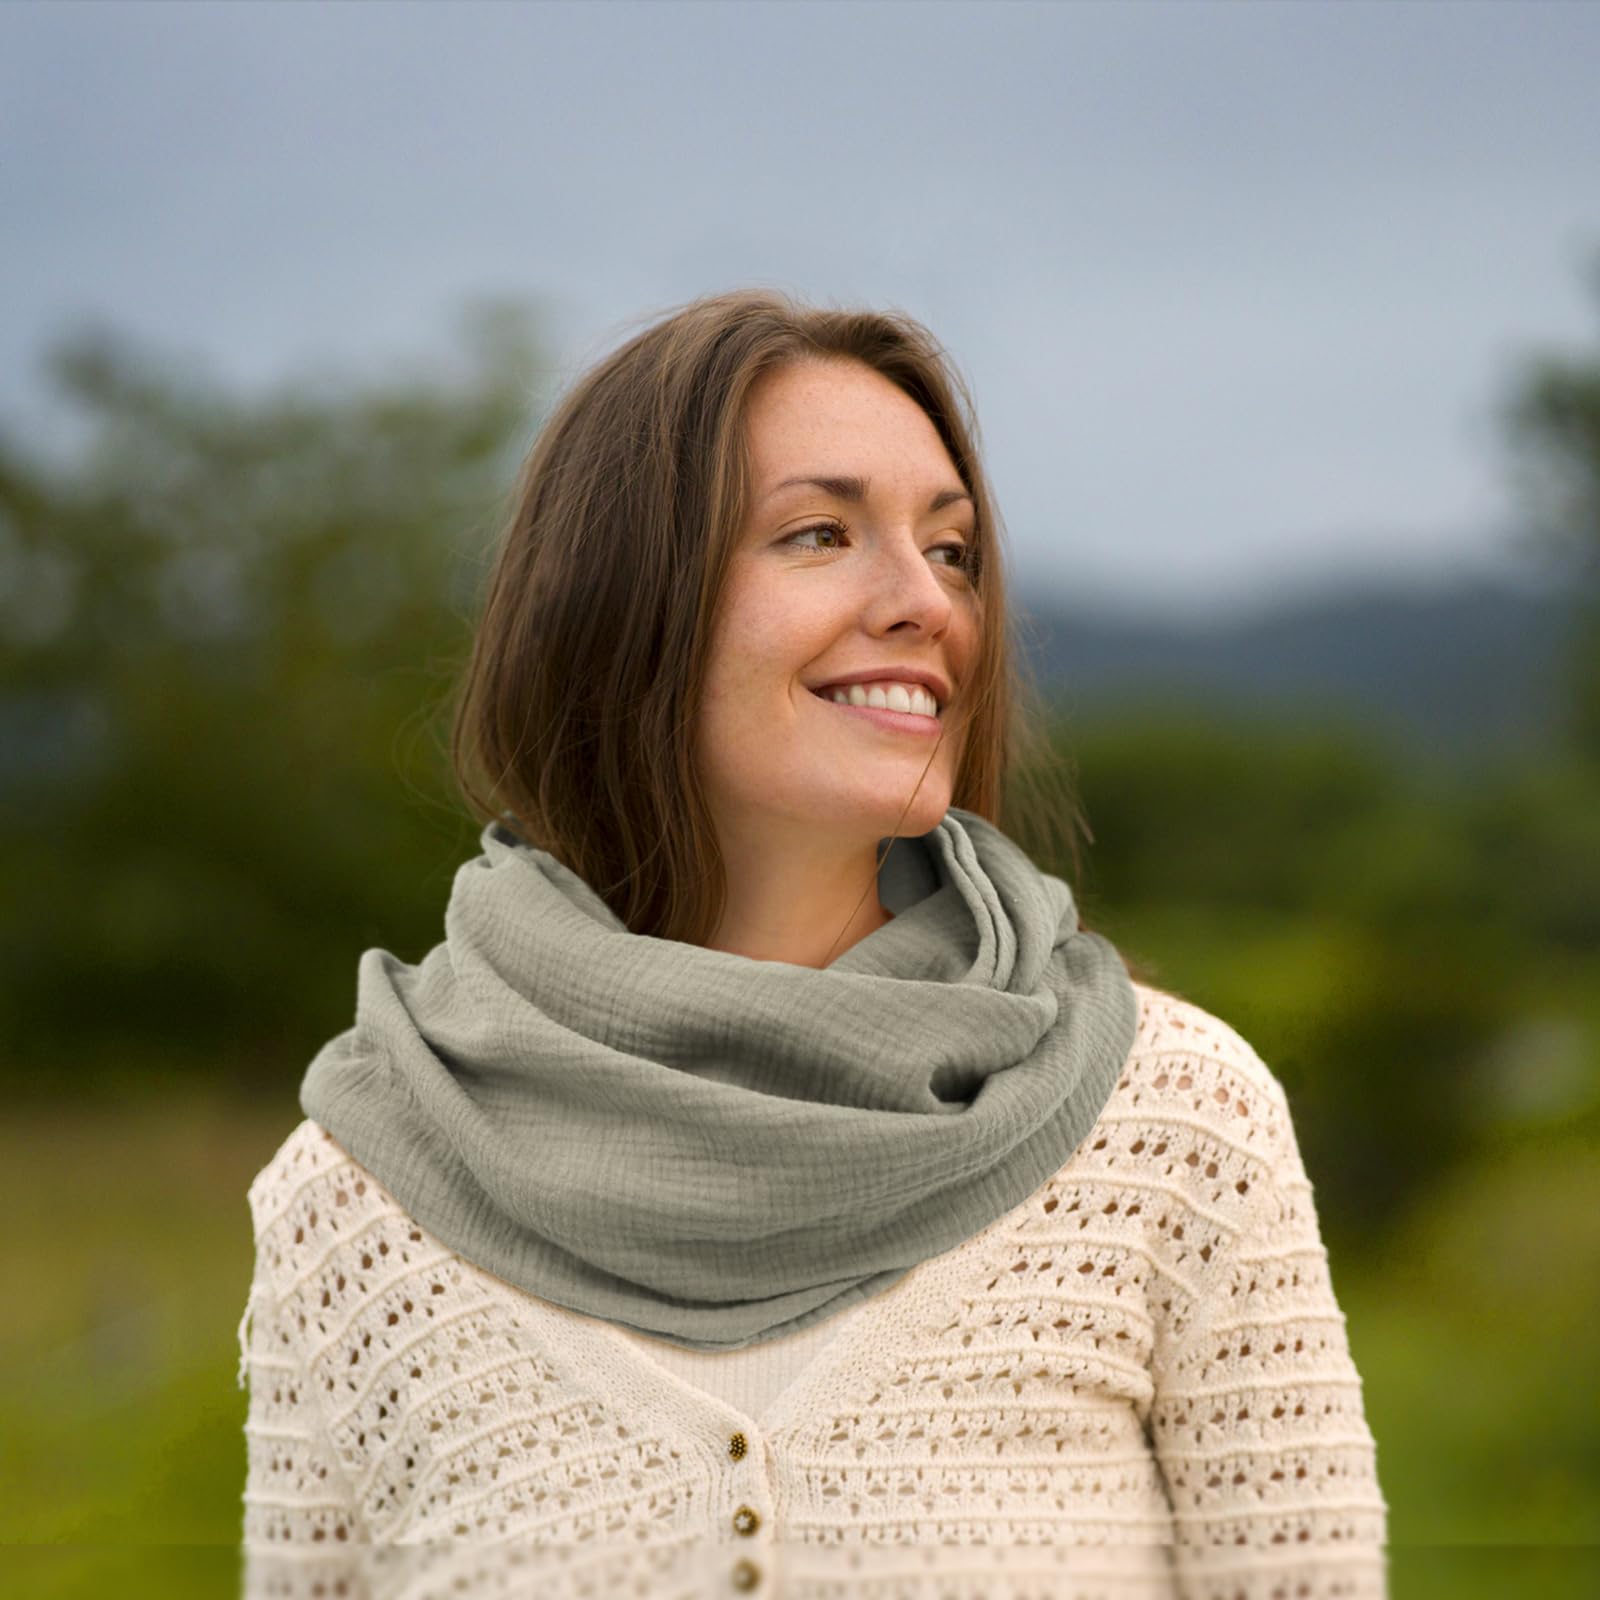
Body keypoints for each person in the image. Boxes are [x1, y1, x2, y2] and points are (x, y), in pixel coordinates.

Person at [237, 289, 1388, 1599]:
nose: (926, 601)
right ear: (621, 606)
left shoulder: (1171, 1126)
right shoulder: (352, 1204)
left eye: (952, 550)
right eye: (820, 533)